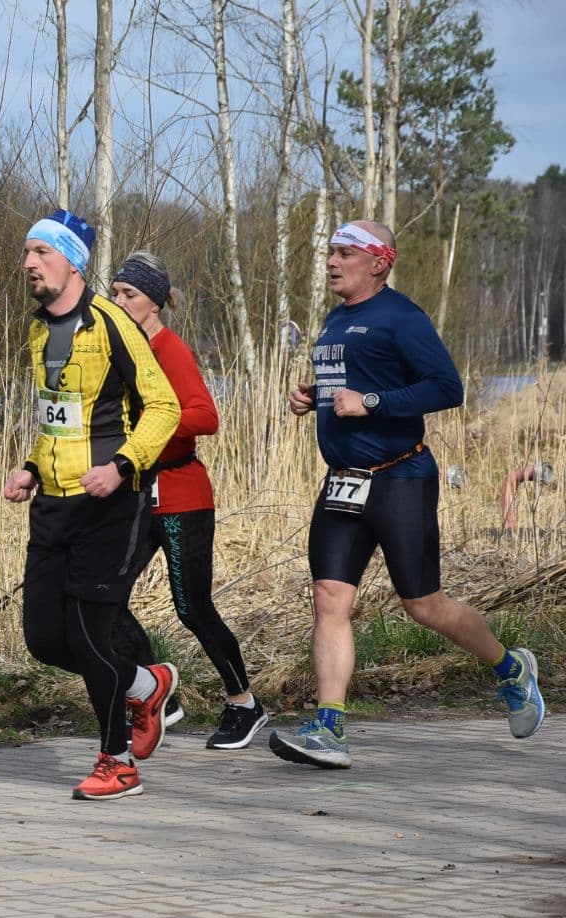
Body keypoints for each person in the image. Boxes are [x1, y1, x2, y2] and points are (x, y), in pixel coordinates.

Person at [272, 219, 546, 769]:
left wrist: (371, 403)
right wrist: (314, 396)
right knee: (329, 598)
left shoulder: (402, 316)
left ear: (378, 263)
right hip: (343, 481)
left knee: (424, 605)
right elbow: (353, 382)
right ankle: (330, 727)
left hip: (400, 478)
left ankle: (511, 668)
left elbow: (446, 387)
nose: (331, 262)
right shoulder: (335, 319)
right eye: (330, 252)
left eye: (344, 253)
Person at [4, 210, 183, 800]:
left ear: (73, 262)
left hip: (110, 504)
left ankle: (118, 763)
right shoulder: (38, 330)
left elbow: (165, 407)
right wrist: (32, 468)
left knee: (88, 639)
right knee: (43, 639)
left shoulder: (111, 323)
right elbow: (57, 418)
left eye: (41, 253)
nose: (29, 263)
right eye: (26, 253)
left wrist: (122, 465)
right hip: (53, 506)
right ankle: (146, 687)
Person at [107, 252, 267, 750]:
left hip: (181, 495)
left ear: (154, 303)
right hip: (137, 496)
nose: (119, 302)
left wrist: (155, 420)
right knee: (105, 595)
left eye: (129, 294)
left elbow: (206, 417)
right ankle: (160, 693)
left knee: (192, 608)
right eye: (114, 293)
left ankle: (245, 703)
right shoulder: (124, 350)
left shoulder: (169, 349)